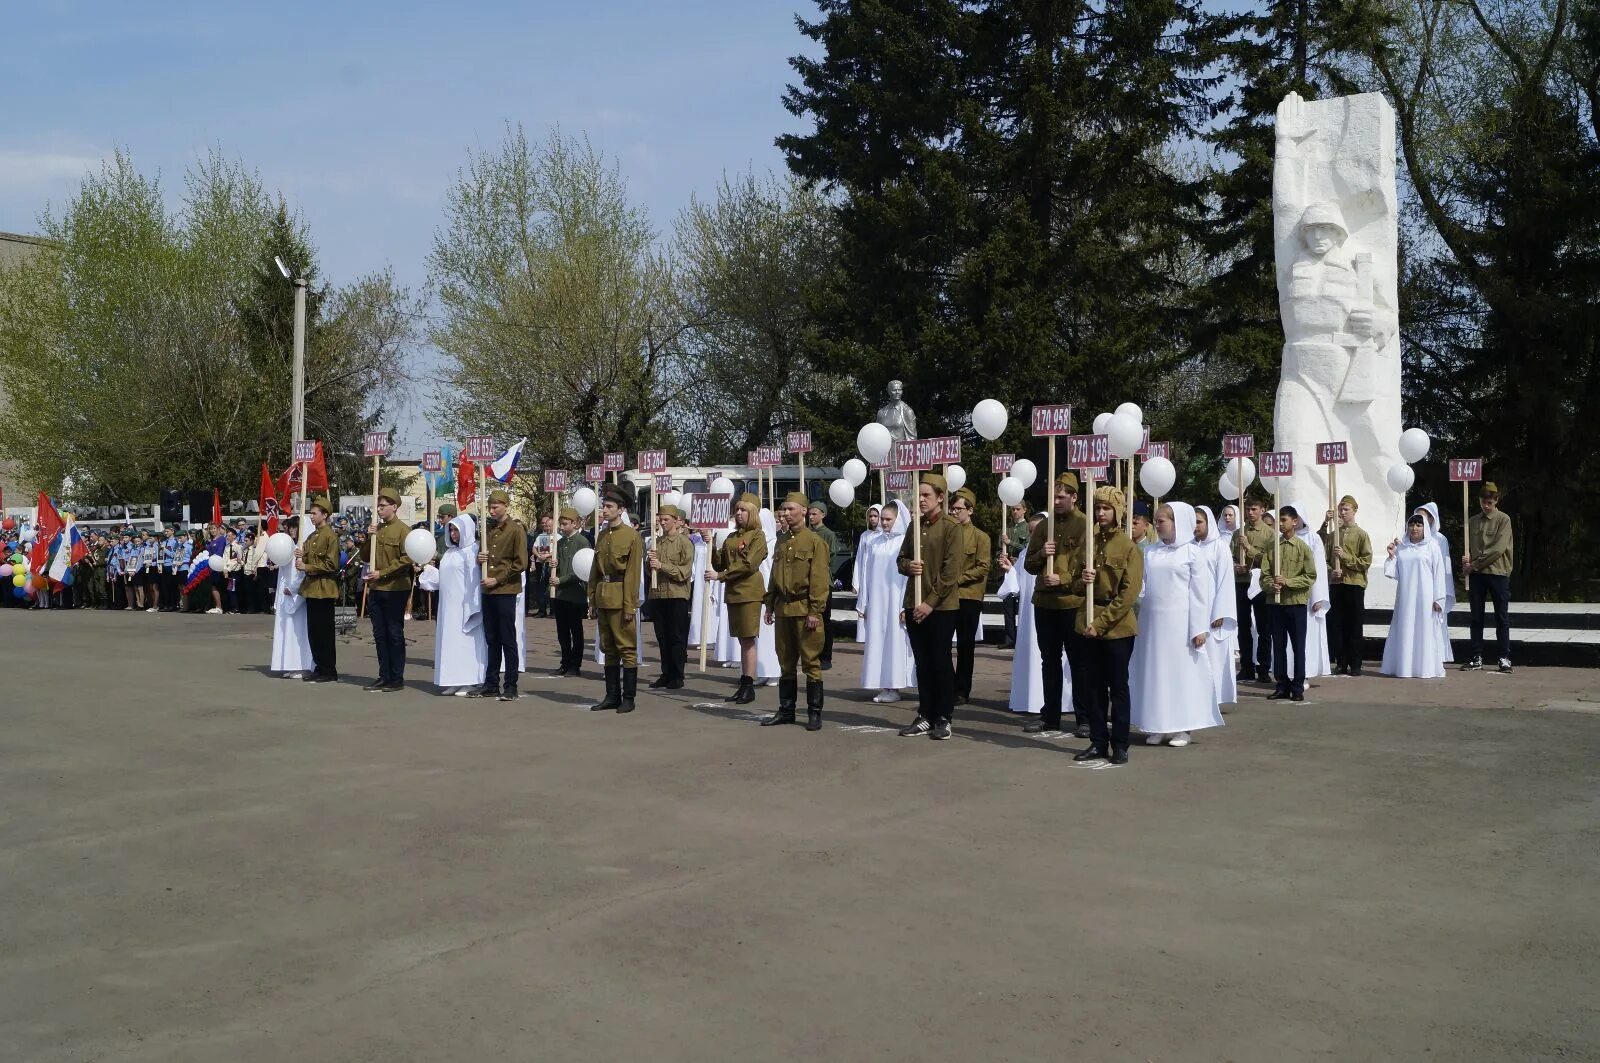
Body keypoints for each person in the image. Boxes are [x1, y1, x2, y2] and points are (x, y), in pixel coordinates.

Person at [1132, 502, 1223, 747]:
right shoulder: (1151, 552)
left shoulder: (1193, 553)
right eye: (1157, 521)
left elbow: (1201, 594)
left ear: (1177, 523)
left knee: (1180, 675)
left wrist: (1198, 628)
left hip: (1181, 625)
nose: (1157, 525)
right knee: (1156, 673)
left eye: (1162, 521)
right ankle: (1157, 724)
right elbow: (1143, 587)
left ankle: (1182, 727)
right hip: (1153, 623)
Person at [1073, 486, 1143, 765]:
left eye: (1106, 508)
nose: (1101, 513)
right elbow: (1075, 585)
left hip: (1116, 627)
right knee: (1093, 687)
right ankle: (1098, 741)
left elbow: (1129, 593)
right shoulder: (1087, 542)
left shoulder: (1128, 547)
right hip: (1087, 620)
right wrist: (1083, 580)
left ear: (1118, 512)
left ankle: (1121, 743)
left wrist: (1101, 624)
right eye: (1098, 508)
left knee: (1118, 687)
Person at [897, 472, 962, 740]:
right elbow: (901, 559)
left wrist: (929, 603)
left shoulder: (951, 527)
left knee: (940, 661)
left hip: (941, 606)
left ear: (940, 497)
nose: (921, 499)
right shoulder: (915, 525)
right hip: (915, 602)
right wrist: (908, 566)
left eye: (926, 495)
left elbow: (951, 572)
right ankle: (925, 713)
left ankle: (943, 717)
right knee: (922, 662)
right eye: (919, 495)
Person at [1023, 473, 1088, 738]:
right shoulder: (1043, 527)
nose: (1056, 501)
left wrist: (1062, 578)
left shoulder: (1085, 525)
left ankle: (1085, 717)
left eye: (1062, 497)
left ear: (1074, 497)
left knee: (1079, 662)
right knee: (1048, 661)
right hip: (1045, 603)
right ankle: (1051, 715)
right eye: (1054, 496)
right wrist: (1042, 553)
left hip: (1072, 603)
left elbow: (1088, 567)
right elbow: (1028, 565)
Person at [762, 492, 832, 730]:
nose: (786, 513)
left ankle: (814, 712)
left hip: (805, 610)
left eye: (791, 509)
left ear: (804, 511)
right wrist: (769, 604)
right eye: (784, 509)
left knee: (811, 662)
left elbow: (820, 580)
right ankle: (786, 710)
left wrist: (815, 611)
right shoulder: (782, 541)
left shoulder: (815, 542)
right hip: (783, 609)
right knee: (785, 662)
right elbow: (774, 576)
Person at [588, 481, 644, 713]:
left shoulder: (632, 536)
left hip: (621, 597)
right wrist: (591, 598)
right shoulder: (602, 535)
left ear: (621, 509)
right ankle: (612, 695)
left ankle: (628, 698)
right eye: (604, 505)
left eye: (609, 506)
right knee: (608, 648)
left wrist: (630, 605)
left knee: (626, 648)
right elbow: (594, 569)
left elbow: (632, 574)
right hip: (603, 596)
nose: (605, 510)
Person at [708, 492, 767, 705]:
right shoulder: (732, 537)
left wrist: (720, 576)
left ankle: (748, 684)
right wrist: (712, 545)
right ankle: (744, 682)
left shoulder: (758, 536)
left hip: (749, 592)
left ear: (752, 513)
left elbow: (749, 564)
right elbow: (720, 563)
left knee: (748, 639)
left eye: (743, 510)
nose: (739, 513)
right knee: (742, 640)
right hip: (734, 592)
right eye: (738, 509)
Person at [472, 489, 528, 701]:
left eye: (495, 507)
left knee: (507, 639)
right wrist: (480, 558)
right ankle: (491, 683)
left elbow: (520, 562)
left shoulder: (515, 530)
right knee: (491, 638)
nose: (492, 511)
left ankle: (511, 685)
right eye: (490, 507)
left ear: (505, 505)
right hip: (488, 590)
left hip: (505, 589)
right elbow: (485, 557)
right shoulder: (488, 530)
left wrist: (498, 579)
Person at [857, 499, 914, 702]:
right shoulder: (875, 542)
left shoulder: (904, 543)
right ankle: (883, 684)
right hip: (878, 600)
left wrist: (905, 604)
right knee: (878, 641)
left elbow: (908, 576)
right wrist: (864, 601)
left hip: (896, 599)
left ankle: (895, 686)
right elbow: (866, 572)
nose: (884, 523)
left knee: (895, 642)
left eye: (888, 519)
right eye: (882, 519)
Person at [1259, 504, 1317, 701]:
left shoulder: (1303, 548)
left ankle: (1298, 686)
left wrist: (1288, 582)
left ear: (1295, 521)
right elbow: (1264, 576)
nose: (1281, 524)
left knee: (1298, 646)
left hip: (1296, 604)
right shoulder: (1272, 547)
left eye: (1284, 520)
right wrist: (1270, 586)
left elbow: (1310, 576)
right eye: (1279, 520)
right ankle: (1281, 684)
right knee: (1279, 645)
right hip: (1275, 604)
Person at [1381, 514, 1449, 678]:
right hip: (1405, 597)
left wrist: (1439, 598)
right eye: (1411, 525)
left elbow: (1439, 574)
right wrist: (1392, 556)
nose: (1414, 528)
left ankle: (1424, 668)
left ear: (1425, 528)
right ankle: (1404, 667)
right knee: (1405, 628)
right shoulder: (1402, 547)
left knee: (1423, 630)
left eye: (1418, 525)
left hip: (1425, 597)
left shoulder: (1432, 546)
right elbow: (1393, 573)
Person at [428, 511, 488, 695]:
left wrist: (474, 605)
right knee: (450, 642)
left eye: (456, 530)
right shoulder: (449, 553)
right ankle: (452, 678)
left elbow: (475, 578)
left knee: (466, 643)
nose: (453, 534)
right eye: (451, 530)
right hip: (448, 606)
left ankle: (470, 679)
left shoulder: (473, 551)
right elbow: (445, 578)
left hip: (466, 604)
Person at [362, 490, 412, 693]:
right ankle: (384, 675)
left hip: (395, 588)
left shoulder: (403, 530)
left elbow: (406, 559)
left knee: (394, 634)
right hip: (376, 588)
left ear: (395, 507)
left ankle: (396, 677)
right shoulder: (378, 530)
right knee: (379, 635)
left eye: (384, 505)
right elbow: (366, 556)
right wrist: (368, 536)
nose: (380, 509)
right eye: (379, 505)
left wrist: (382, 573)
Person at [1462, 482, 1514, 672]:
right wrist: (1467, 562)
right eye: (1484, 502)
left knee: (1501, 617)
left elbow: (1498, 549)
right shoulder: (1472, 521)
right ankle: (1476, 656)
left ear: (1496, 500)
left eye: (1490, 502)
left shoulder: (1504, 519)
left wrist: (1473, 565)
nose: (1486, 506)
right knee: (1476, 617)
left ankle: (1504, 657)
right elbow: (1470, 548)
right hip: (1477, 576)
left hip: (1498, 573)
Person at [1321, 495, 1373, 675]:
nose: (1343, 513)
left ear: (1354, 511)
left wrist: (1346, 558)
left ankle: (1356, 663)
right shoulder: (1334, 535)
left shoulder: (1361, 534)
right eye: (1341, 510)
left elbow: (1365, 561)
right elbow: (1325, 559)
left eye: (1346, 510)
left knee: (1355, 624)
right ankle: (1341, 661)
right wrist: (1331, 571)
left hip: (1354, 583)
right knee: (1338, 624)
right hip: (1337, 583)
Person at [1193, 506, 1238, 710]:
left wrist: (1221, 611)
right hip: (1196, 608)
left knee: (1215, 656)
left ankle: (1216, 696)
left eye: (1199, 522)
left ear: (1208, 523)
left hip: (1214, 611)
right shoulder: (1190, 546)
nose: (1196, 526)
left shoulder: (1219, 547)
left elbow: (1225, 581)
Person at [950, 488, 991, 705]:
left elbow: (983, 567)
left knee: (965, 646)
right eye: (952, 508)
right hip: (946, 596)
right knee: (942, 643)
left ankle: (962, 690)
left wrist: (958, 579)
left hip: (969, 596)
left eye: (959, 509)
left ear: (970, 510)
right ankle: (947, 684)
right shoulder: (947, 533)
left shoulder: (980, 537)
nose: (954, 512)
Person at [648, 503, 694, 689]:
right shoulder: (656, 542)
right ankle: (665, 673)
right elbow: (649, 570)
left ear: (676, 520)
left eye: (666, 520)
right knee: (662, 636)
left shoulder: (684, 543)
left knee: (676, 636)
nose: (663, 523)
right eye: (660, 520)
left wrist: (661, 566)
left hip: (676, 595)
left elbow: (685, 572)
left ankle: (677, 675)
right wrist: (649, 562)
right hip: (658, 594)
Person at [296, 496, 340, 682]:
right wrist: (301, 556)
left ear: (325, 514)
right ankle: (319, 667)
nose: (311, 516)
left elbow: (331, 565)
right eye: (311, 513)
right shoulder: (312, 536)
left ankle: (329, 670)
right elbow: (307, 559)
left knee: (325, 633)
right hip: (311, 589)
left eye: (314, 513)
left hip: (325, 589)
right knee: (313, 632)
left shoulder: (330, 536)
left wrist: (307, 567)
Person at [1233, 497, 1275, 682]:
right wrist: (1236, 566)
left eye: (1254, 509)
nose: (1250, 512)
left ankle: (1263, 667)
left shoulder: (1270, 534)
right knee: (1243, 626)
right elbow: (1230, 556)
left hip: (1260, 584)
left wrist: (1249, 549)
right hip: (1241, 583)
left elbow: (1270, 560)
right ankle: (1246, 666)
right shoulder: (1238, 533)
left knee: (1264, 627)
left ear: (1263, 510)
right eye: (1248, 509)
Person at [270, 516, 314, 678]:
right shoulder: (288, 546)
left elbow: (303, 574)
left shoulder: (304, 549)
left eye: (295, 527)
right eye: (290, 527)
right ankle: (289, 663)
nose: (292, 530)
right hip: (285, 592)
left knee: (299, 631)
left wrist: (294, 589)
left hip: (298, 594)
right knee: (286, 629)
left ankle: (303, 665)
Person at [1414, 502, 1456, 667]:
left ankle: (1436, 654)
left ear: (1431, 519)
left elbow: (1444, 568)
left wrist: (1442, 594)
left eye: (1424, 516)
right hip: (1418, 587)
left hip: (1435, 586)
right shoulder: (1413, 539)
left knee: (1435, 621)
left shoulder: (1440, 539)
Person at [549, 507, 589, 678]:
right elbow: (558, 566)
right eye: (561, 524)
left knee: (576, 631)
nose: (562, 527)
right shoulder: (560, 542)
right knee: (562, 631)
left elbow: (582, 568)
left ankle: (575, 664)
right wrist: (552, 566)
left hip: (574, 593)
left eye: (565, 524)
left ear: (575, 523)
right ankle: (565, 662)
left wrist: (562, 580)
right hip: (560, 594)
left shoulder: (582, 542)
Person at [806, 501, 840, 670]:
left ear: (823, 515)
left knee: (824, 620)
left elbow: (832, 559)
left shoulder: (828, 534)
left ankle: (826, 656)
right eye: (809, 514)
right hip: (807, 582)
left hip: (823, 582)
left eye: (814, 514)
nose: (811, 517)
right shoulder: (805, 533)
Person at [999, 501, 1029, 648]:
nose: (1015, 512)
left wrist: (1010, 542)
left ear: (1024, 510)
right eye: (1013, 509)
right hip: (1008, 570)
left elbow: (1027, 546)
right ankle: (1010, 639)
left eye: (1018, 509)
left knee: (1022, 606)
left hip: (1022, 570)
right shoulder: (1007, 528)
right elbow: (1000, 548)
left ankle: (1023, 637)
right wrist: (1001, 557)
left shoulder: (1027, 528)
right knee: (1008, 606)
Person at [530, 514, 554, 618]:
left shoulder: (558, 536)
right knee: (541, 587)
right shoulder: (541, 536)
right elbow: (534, 548)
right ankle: (542, 610)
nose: (547, 528)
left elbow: (558, 550)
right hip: (541, 564)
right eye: (546, 526)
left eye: (549, 526)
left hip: (551, 565)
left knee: (552, 588)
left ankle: (553, 611)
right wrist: (539, 555)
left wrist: (548, 556)